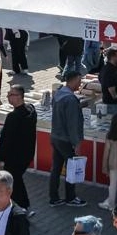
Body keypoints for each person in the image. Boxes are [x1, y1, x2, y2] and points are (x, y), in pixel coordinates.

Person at [0, 85, 37, 211]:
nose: (7, 97)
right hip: (27, 153)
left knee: (14, 181)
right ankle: (21, 206)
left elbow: (6, 140)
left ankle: (22, 207)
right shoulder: (31, 110)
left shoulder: (13, 117)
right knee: (16, 180)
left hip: (15, 157)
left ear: (19, 97)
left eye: (10, 95)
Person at [49, 70, 85, 207]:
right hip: (66, 139)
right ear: (74, 79)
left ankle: (54, 197)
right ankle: (70, 197)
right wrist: (76, 143)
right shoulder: (70, 99)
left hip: (56, 136)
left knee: (56, 168)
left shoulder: (59, 93)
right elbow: (72, 124)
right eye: (79, 81)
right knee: (71, 168)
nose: (80, 84)